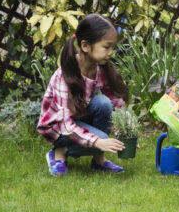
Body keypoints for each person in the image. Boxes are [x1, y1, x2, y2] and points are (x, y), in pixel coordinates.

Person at [37, 13, 130, 176]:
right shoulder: (64, 76)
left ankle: (98, 161)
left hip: (79, 116)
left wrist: (126, 133)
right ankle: (60, 152)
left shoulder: (100, 69)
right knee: (99, 137)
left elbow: (116, 102)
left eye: (113, 47)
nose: (111, 52)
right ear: (85, 46)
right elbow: (65, 124)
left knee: (104, 103)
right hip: (58, 128)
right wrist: (98, 141)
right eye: (106, 47)